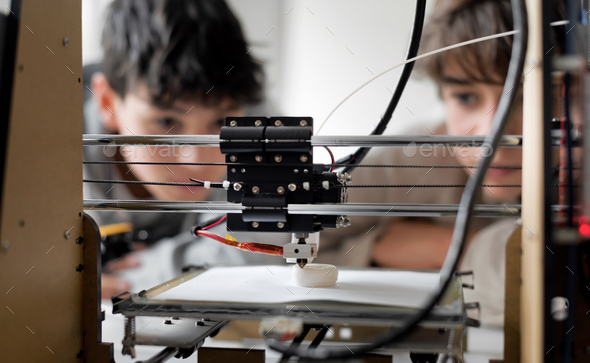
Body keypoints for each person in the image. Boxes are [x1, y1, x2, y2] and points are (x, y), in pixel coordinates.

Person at [320, 0, 566, 327]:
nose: (493, 133)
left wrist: (457, 250)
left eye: (526, 97)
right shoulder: (406, 161)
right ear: (442, 94)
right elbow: (272, 257)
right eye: (465, 97)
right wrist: (373, 249)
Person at [83, 0, 282, 299]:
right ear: (108, 103)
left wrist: (132, 277)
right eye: (166, 121)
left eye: (220, 122)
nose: (195, 160)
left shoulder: (254, 117)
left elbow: (257, 250)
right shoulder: (52, 139)